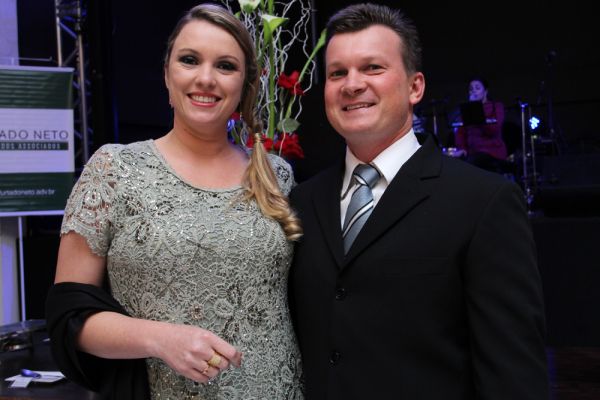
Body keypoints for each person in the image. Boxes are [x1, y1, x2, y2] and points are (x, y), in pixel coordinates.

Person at [288, 4, 548, 399]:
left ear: (415, 87)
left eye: (372, 68)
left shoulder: (483, 202)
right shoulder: (302, 201)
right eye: (337, 73)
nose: (352, 84)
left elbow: (514, 375)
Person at [45, 4, 304, 399]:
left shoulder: (275, 174)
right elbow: (69, 317)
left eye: (225, 66)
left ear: (246, 84)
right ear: (167, 74)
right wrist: (159, 338)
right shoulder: (115, 170)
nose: (206, 78)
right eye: (189, 60)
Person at [454, 77, 509, 172]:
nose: (473, 91)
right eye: (471, 89)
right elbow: (461, 132)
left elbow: (493, 130)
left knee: (472, 165)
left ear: (485, 92)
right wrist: (462, 148)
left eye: (477, 88)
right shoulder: (467, 109)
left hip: (492, 152)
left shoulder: (496, 106)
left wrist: (475, 108)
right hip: (473, 153)